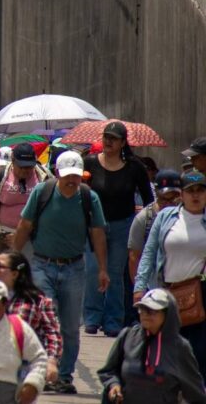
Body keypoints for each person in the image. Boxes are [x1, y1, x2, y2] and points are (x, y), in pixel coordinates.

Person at [11, 150, 109, 394]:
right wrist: (12, 257)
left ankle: (64, 376)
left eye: (76, 176)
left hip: (74, 268)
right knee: (47, 318)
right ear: (57, 174)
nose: (72, 181)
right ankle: (42, 371)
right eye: (67, 176)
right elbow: (25, 225)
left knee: (70, 327)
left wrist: (103, 269)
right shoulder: (42, 192)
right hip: (42, 265)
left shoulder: (89, 198)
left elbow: (98, 233)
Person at [84, 121, 153, 338]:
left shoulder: (134, 168)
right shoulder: (90, 163)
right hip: (95, 226)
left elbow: (149, 198)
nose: (108, 142)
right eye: (106, 137)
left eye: (113, 139)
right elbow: (80, 192)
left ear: (123, 143)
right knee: (93, 270)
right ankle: (92, 317)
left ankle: (113, 319)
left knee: (114, 272)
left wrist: (145, 222)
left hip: (123, 225)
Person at [134, 170, 206, 373]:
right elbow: (149, 253)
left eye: (200, 190)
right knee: (165, 353)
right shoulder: (166, 217)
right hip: (167, 293)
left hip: (200, 294)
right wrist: (139, 287)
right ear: (181, 194)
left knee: (198, 355)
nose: (195, 195)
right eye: (190, 190)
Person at [0, 250, 63, 384]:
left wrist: (51, 361)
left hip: (20, 368)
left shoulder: (37, 301)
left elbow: (52, 334)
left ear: (15, 274)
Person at [98, 288, 206, 404]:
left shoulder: (179, 348)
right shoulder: (128, 337)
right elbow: (109, 371)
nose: (145, 314)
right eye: (142, 309)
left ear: (167, 314)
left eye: (151, 311)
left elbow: (196, 393)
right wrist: (114, 385)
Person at [127, 169, 183, 281]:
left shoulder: (190, 215)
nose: (169, 204)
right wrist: (138, 287)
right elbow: (134, 257)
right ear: (156, 194)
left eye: (173, 199)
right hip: (154, 282)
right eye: (164, 199)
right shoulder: (144, 218)